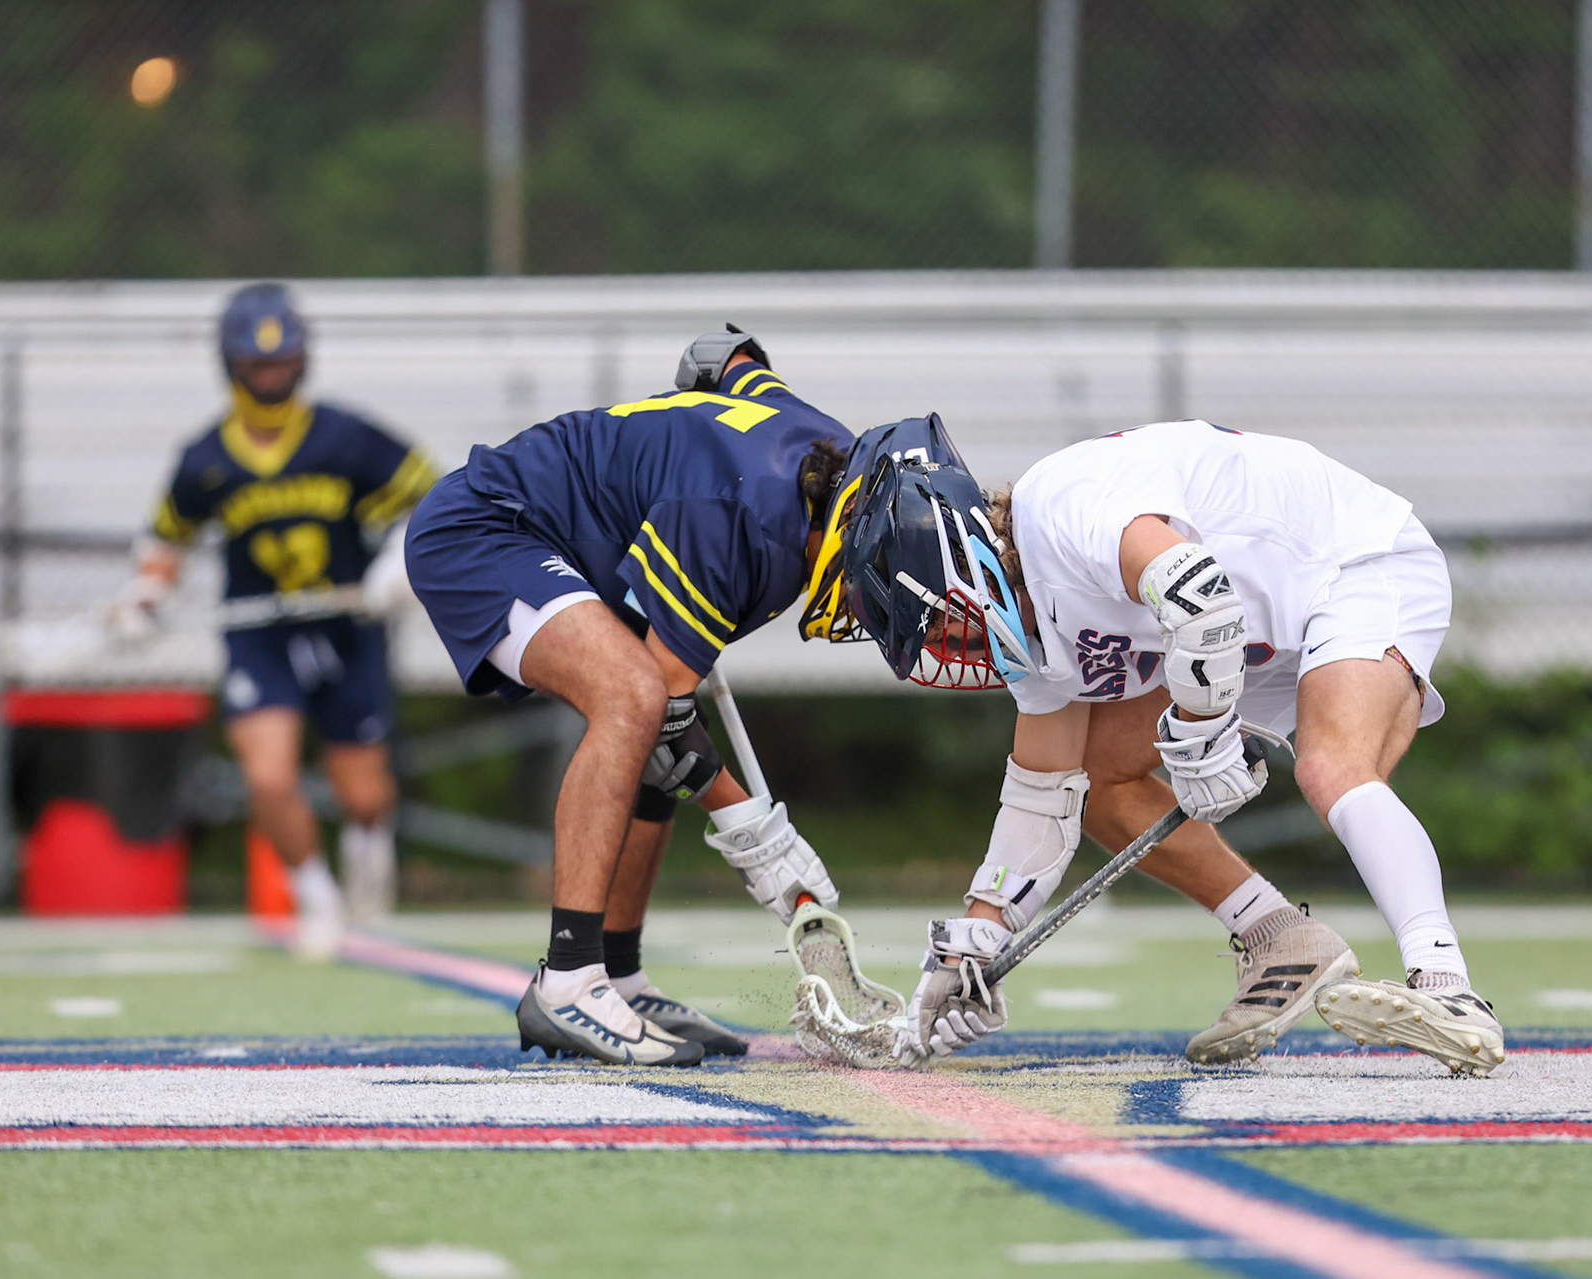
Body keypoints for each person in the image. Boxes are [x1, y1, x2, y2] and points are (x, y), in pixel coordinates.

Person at [817, 417, 1507, 1075]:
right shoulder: (1028, 632)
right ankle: (1278, 936)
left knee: (1333, 765)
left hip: (1350, 559)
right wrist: (971, 947)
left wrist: (1203, 730)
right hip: (1257, 622)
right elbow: (1042, 799)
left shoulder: (1064, 511)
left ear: (962, 564)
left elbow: (1200, 597)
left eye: (940, 624)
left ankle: (1448, 984)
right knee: (1097, 777)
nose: (947, 650)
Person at [403, 326, 857, 1067]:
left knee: (650, 720)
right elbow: (670, 722)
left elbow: (726, 356)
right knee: (636, 699)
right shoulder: (738, 514)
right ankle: (570, 980)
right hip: (488, 528)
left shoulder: (814, 446)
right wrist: (761, 839)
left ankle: (617, 972)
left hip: (569, 540)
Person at [116, 282, 438, 956]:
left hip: (348, 627)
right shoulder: (206, 459)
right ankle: (316, 898)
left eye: (282, 364)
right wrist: (146, 593)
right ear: (232, 366)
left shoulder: (347, 438)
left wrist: (397, 565)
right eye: (258, 366)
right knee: (268, 775)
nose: (271, 378)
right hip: (260, 634)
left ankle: (367, 849)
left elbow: (437, 496)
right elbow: (167, 542)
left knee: (366, 794)